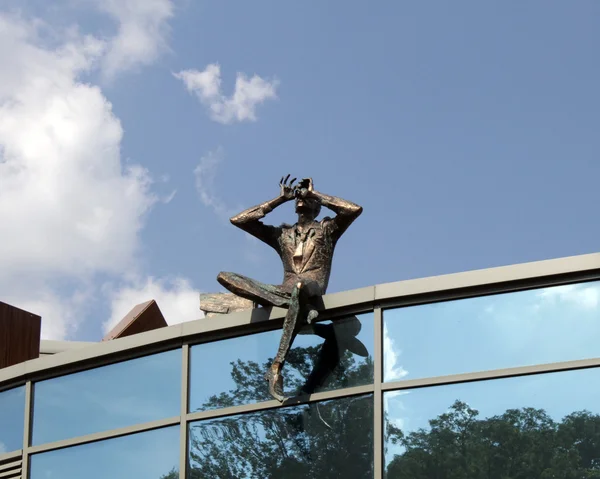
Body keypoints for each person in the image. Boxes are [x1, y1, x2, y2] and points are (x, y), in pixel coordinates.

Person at [217, 176, 363, 401]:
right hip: (284, 291)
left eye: (307, 196)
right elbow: (239, 220)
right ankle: (301, 311)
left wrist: (317, 195)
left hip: (311, 286)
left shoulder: (328, 230)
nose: (301, 196)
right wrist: (278, 200)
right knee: (225, 277)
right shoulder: (281, 235)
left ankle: (276, 367)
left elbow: (353, 210)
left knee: (300, 286)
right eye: (299, 195)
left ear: (316, 206)